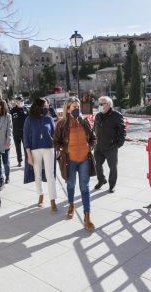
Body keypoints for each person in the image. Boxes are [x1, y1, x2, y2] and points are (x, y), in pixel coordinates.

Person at [53, 97, 96, 231]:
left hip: (84, 159)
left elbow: (94, 138)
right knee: (71, 184)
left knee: (85, 187)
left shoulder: (84, 121)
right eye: (74, 107)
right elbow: (55, 143)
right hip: (70, 160)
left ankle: (87, 216)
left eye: (78, 107)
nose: (77, 109)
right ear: (67, 109)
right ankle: (71, 204)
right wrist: (66, 149)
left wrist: (90, 146)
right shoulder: (61, 124)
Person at [23, 98, 57, 212]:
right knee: (37, 174)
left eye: (47, 105)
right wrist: (29, 155)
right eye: (45, 105)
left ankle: (53, 200)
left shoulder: (49, 118)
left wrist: (58, 149)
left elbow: (54, 135)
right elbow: (26, 138)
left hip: (49, 148)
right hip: (35, 150)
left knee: (50, 174)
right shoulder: (29, 119)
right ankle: (40, 195)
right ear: (38, 106)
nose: (47, 107)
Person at [93, 96, 126, 193]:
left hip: (111, 146)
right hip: (98, 146)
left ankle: (112, 185)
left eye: (101, 104)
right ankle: (101, 180)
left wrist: (118, 144)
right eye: (99, 104)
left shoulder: (117, 115)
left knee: (112, 167)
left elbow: (122, 131)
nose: (99, 106)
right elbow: (94, 128)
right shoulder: (98, 115)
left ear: (108, 104)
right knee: (97, 165)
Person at [10, 96, 28, 167]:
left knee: (25, 147)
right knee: (18, 147)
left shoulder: (26, 109)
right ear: (16, 102)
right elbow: (10, 120)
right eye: (18, 101)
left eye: (21, 101)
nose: (19, 102)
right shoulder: (13, 110)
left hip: (25, 132)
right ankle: (19, 161)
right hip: (16, 131)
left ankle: (27, 160)